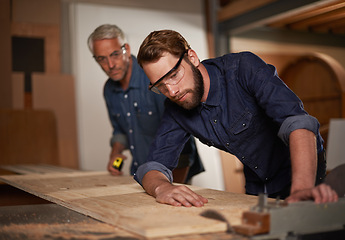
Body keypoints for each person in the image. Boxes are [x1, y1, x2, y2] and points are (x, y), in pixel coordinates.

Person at [134, 29, 339, 207]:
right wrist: (162, 188)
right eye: (160, 85)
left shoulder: (242, 68)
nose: (171, 90)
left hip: (301, 172)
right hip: (257, 180)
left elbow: (298, 123)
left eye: (173, 75)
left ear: (193, 58)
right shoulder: (175, 106)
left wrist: (301, 189)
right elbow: (153, 167)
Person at [87, 25, 204, 183]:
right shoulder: (109, 89)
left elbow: (181, 135)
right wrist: (115, 153)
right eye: (101, 58)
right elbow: (120, 130)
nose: (110, 64)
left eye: (114, 54)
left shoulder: (154, 78)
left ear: (126, 49)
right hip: (140, 173)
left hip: (172, 174)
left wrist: (170, 186)